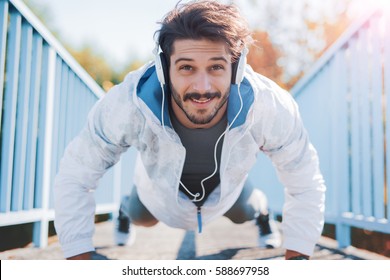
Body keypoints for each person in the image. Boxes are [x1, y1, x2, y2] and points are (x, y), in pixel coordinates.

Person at [54, 0, 325, 260]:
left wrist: (298, 259)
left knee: (249, 210)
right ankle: (125, 210)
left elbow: (304, 177)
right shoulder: (129, 102)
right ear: (163, 68)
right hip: (156, 195)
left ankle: (263, 214)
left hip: (227, 195)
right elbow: (76, 175)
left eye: (216, 67)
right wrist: (79, 260)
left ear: (237, 68)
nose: (202, 87)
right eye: (186, 67)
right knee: (138, 215)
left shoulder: (268, 105)